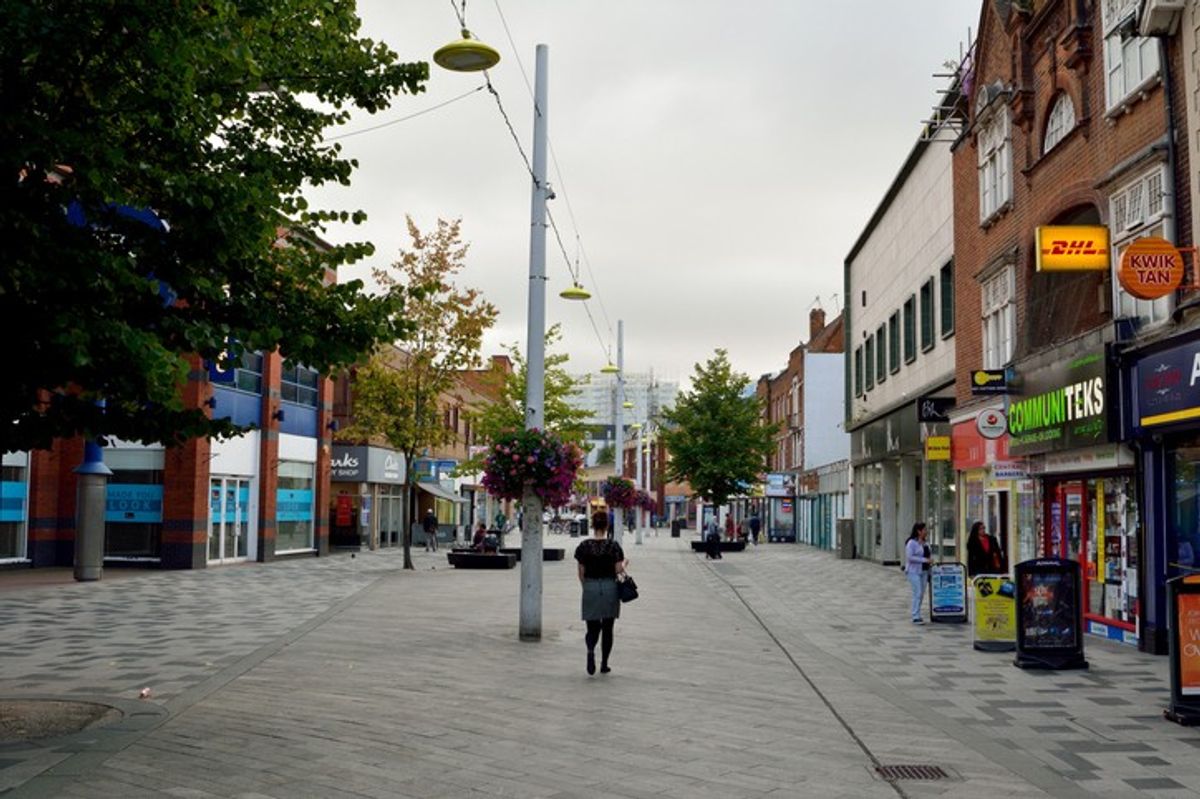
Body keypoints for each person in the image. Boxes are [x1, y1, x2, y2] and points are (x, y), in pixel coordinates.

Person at [574, 511, 627, 676]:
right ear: (606, 526)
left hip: (590, 587)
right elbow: (618, 570)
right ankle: (604, 663)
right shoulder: (613, 546)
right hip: (610, 587)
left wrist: (587, 587)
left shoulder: (583, 546)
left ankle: (590, 650)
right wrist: (625, 563)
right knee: (608, 627)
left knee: (592, 626)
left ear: (592, 525)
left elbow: (581, 573)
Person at [904, 522, 932, 624]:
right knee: (918, 592)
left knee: (921, 593)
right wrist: (924, 560)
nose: (926, 531)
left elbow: (928, 555)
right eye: (924, 530)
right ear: (918, 531)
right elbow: (910, 557)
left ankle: (918, 613)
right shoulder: (911, 543)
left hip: (924, 571)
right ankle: (915, 615)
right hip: (913, 571)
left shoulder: (926, 543)